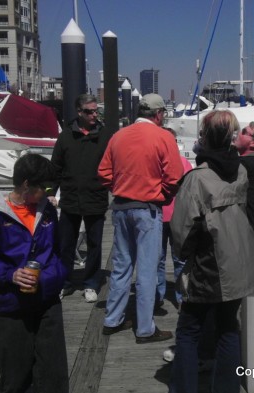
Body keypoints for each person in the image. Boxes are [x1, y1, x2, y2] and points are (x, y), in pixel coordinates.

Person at [169, 109, 254, 393]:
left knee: (188, 330)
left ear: (204, 138)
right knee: (228, 327)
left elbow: (182, 228)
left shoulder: (197, 179)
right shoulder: (241, 170)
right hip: (239, 259)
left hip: (211, 262)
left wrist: (182, 257)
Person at [0, 154, 69, 392]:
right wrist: (10, 274)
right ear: (26, 185)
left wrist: (49, 279)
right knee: (15, 373)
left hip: (46, 301)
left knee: (53, 374)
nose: (48, 192)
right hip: (10, 306)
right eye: (44, 187)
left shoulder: (48, 213)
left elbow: (59, 255)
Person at [98, 93, 183, 344]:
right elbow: (174, 177)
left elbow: (103, 173)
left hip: (121, 207)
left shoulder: (118, 136)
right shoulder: (163, 136)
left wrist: (120, 186)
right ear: (158, 115)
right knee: (146, 270)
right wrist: (164, 197)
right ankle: (145, 328)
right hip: (147, 209)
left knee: (122, 267)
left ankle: (112, 320)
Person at [51, 94, 112, 303]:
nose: (94, 114)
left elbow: (114, 166)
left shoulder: (105, 135)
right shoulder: (66, 136)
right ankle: (65, 282)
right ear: (79, 112)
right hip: (70, 198)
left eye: (96, 110)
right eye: (89, 111)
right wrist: (50, 192)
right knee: (65, 243)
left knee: (95, 244)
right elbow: (55, 168)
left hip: (96, 198)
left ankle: (91, 283)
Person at [156, 127, 193, 310]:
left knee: (179, 259)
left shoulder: (184, 163)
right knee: (158, 258)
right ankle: (158, 296)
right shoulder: (154, 161)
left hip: (178, 217)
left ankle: (181, 296)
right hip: (157, 215)